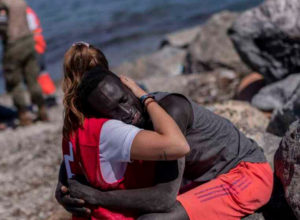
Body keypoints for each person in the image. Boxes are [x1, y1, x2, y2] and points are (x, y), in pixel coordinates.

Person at [56, 42, 273, 220]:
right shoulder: (117, 122)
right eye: (113, 111)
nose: (127, 113)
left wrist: (97, 197)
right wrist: (65, 188)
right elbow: (77, 154)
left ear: (129, 86)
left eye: (124, 100)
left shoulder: (171, 109)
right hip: (205, 180)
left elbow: (164, 199)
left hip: (243, 174)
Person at [60, 42, 189, 219]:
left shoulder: (72, 127)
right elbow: (177, 146)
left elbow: (70, 171)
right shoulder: (108, 131)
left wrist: (61, 190)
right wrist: (146, 98)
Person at [0, 0, 48, 125]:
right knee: (32, 78)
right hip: (28, 41)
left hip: (13, 44)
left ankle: (23, 115)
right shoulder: (20, 1)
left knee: (14, 82)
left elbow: (3, 26)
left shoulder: (3, 5)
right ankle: (42, 109)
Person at [26, 6, 57, 104]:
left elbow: (31, 28)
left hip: (35, 45)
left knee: (36, 72)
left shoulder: (26, 12)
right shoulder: (27, 10)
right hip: (38, 43)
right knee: (42, 72)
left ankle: (47, 97)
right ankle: (50, 95)